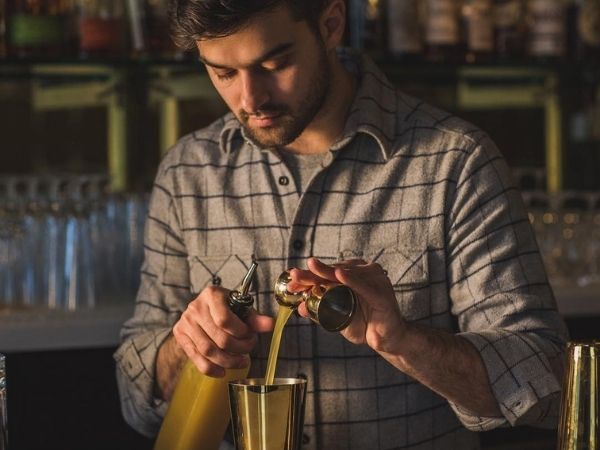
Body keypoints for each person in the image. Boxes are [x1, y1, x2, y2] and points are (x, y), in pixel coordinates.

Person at [114, 1, 569, 448]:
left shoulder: (456, 162)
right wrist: (185, 349)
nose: (250, 99)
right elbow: (136, 398)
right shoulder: (188, 171)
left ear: (331, 25)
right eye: (223, 73)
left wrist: (404, 343)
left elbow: (547, 383)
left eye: (275, 63)